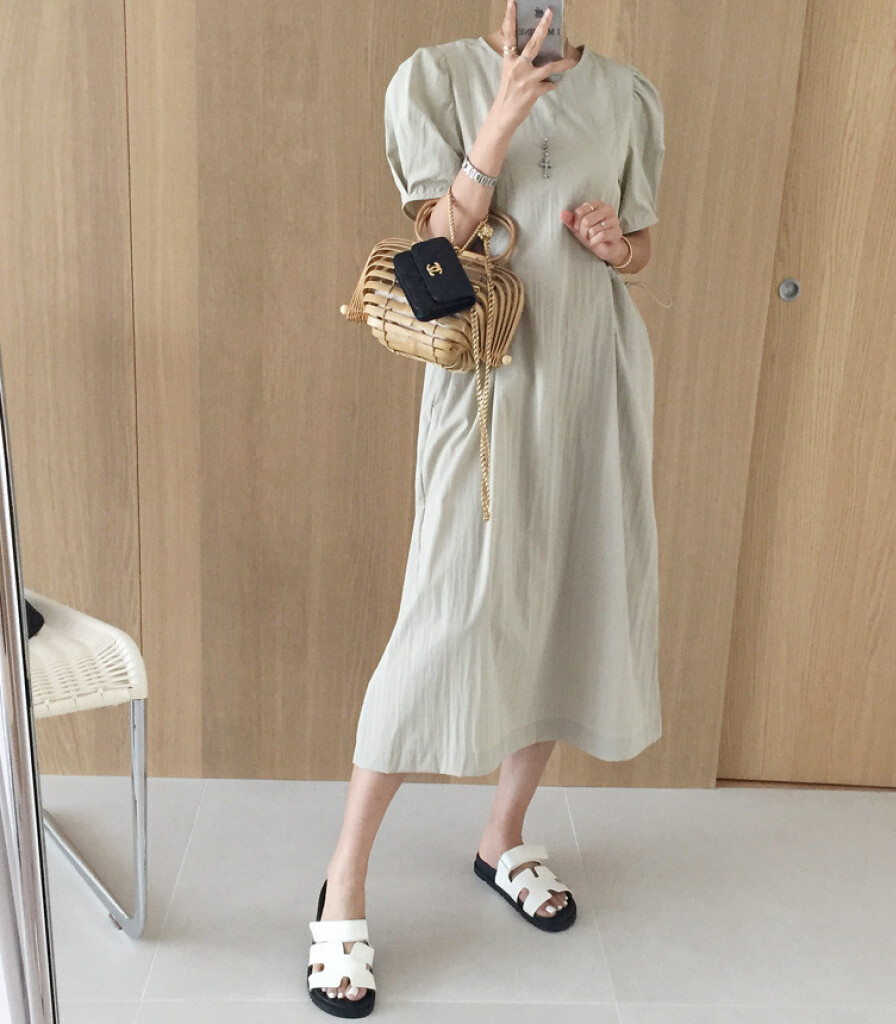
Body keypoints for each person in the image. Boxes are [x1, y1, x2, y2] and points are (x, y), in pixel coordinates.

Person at [307, 2, 665, 1015]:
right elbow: (437, 248)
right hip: (486, 389)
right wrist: (501, 117)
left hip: (593, 380)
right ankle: (343, 881)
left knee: (560, 600)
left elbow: (642, 245)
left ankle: (501, 836)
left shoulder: (628, 95)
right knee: (445, 614)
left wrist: (617, 245)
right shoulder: (435, 80)